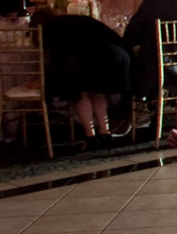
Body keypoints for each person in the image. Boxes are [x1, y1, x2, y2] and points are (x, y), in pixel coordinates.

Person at [35, 11, 132, 147]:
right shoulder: (76, 20)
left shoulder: (53, 31)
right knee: (97, 93)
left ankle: (90, 136)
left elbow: (58, 63)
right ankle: (105, 133)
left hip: (94, 56)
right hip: (118, 55)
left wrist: (45, 83)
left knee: (79, 94)